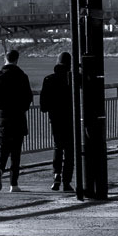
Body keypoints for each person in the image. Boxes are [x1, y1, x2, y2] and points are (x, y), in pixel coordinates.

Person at [0, 49, 33, 193]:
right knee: (16, 153)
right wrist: (22, 109)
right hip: (18, 118)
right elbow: (28, 97)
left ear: (4, 59)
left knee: (3, 150)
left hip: (2, 118)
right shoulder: (22, 76)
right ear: (17, 60)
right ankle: (14, 184)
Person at [40, 52, 74, 192]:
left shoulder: (48, 79)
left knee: (58, 147)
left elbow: (43, 106)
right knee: (70, 150)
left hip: (55, 119)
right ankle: (67, 182)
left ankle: (56, 176)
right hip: (71, 118)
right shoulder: (72, 79)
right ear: (70, 64)